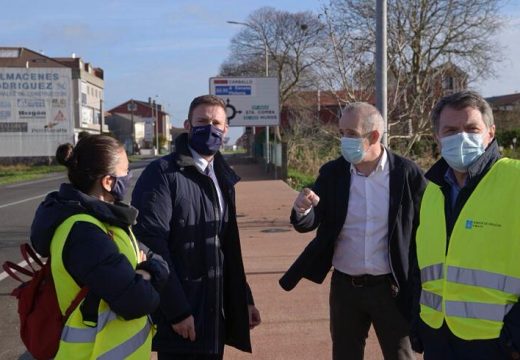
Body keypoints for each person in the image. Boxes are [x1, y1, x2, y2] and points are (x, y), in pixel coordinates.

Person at [279, 102, 426, 360]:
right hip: (346, 288)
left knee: (402, 355)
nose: (344, 140)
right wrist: (302, 210)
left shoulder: (406, 174)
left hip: (391, 289)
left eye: (351, 134)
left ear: (374, 136)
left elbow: (424, 226)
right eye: (341, 133)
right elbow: (311, 220)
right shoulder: (333, 173)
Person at [131, 95, 261, 360]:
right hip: (181, 314)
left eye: (216, 123)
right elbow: (152, 245)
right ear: (188, 125)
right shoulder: (162, 174)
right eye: (202, 121)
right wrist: (176, 310)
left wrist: (243, 298)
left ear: (225, 130)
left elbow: (227, 246)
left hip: (213, 313)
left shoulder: (221, 176)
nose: (210, 127)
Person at [30, 134, 168, 359]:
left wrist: (144, 272)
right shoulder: (84, 233)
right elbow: (138, 300)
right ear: (108, 181)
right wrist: (148, 271)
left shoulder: (105, 220)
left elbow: (157, 260)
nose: (129, 176)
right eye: (126, 171)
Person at [412, 90, 520, 359]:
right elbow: (422, 266)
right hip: (439, 338)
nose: (461, 137)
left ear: (490, 133)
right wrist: (420, 324)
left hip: (495, 343)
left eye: (472, 128)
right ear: (437, 137)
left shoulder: (515, 180)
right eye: (450, 130)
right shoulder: (432, 191)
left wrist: (515, 338)